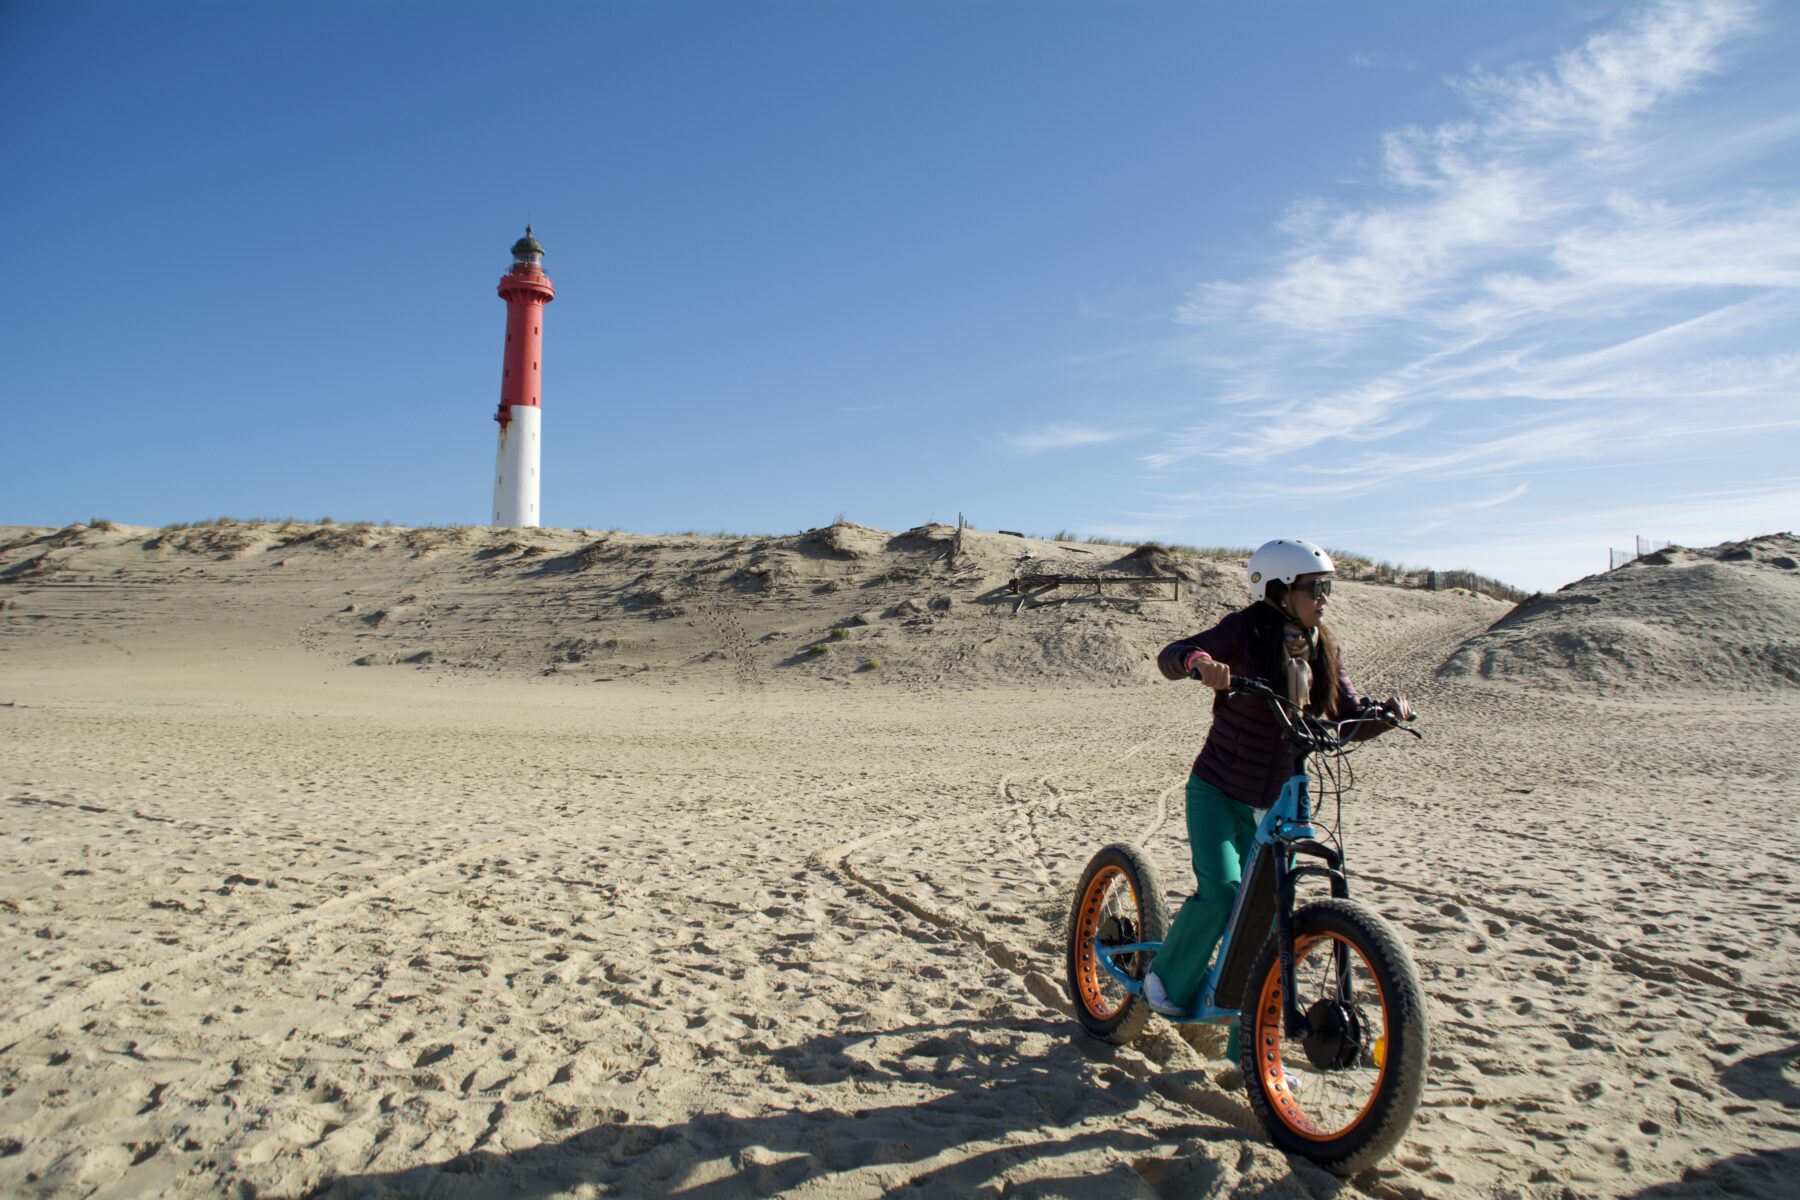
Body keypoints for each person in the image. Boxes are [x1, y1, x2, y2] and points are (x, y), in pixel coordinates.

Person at [1142, 538, 1413, 1065]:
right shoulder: (1244, 630)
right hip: (1219, 791)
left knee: (1272, 921)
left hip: (1279, 801)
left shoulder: (1321, 645)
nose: (1324, 598)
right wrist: (1201, 663)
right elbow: (1171, 654)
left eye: (1327, 588)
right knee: (1222, 892)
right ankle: (1165, 982)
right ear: (1280, 590)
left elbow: (1346, 713)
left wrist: (1386, 715)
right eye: (1316, 588)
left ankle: (1247, 1039)